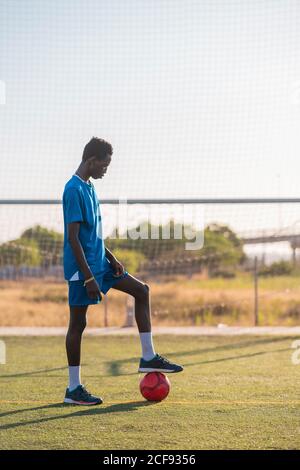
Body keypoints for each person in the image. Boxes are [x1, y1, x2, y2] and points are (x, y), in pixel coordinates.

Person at [62, 137, 183, 405]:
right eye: (104, 165)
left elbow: (92, 234)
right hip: (83, 270)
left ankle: (148, 356)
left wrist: (111, 257)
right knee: (78, 324)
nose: (106, 170)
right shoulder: (72, 189)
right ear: (91, 161)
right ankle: (73, 389)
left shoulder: (90, 187)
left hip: (101, 264)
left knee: (141, 290)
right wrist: (89, 277)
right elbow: (73, 238)